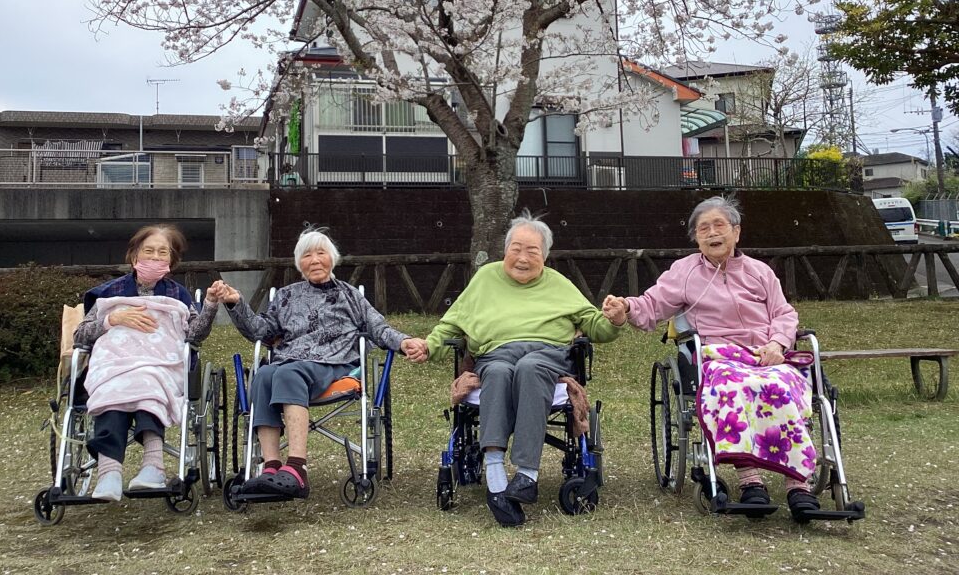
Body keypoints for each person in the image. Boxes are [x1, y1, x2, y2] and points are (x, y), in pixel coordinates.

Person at [603, 196, 821, 520]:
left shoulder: (760, 272)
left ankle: (798, 484)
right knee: (734, 387)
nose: (712, 233)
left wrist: (777, 344)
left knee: (785, 385)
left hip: (767, 354)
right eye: (703, 228)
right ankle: (751, 481)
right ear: (696, 238)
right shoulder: (685, 272)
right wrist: (626, 308)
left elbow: (784, 314)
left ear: (736, 232)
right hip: (721, 357)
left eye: (719, 225)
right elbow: (653, 304)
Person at [407, 211, 624, 527]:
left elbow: (595, 325)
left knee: (529, 367)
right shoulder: (485, 279)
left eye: (532, 251)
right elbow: (452, 324)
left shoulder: (559, 284)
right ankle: (496, 482)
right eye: (516, 249)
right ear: (505, 251)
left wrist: (614, 320)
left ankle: (526, 475)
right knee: (497, 372)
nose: (522, 258)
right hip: (495, 355)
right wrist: (429, 346)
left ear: (544, 256)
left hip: (546, 356)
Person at [208, 228, 425, 499]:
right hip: (291, 363)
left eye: (321, 253)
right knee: (263, 376)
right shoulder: (286, 296)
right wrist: (236, 303)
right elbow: (260, 332)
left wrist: (404, 342)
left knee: (287, 373)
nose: (314, 260)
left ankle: (296, 470)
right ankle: (272, 468)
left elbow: (378, 328)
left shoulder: (349, 296)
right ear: (299, 263)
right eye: (307, 255)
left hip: (333, 364)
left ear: (332, 258)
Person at [74, 224, 217, 502]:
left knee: (148, 379)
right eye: (148, 251)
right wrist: (112, 319)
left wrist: (210, 305)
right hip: (114, 361)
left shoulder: (178, 295)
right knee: (113, 386)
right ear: (134, 255)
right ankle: (109, 473)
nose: (154, 257)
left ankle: (153, 466)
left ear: (171, 260)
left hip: (159, 361)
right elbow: (80, 335)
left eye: (162, 252)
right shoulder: (109, 293)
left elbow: (194, 335)